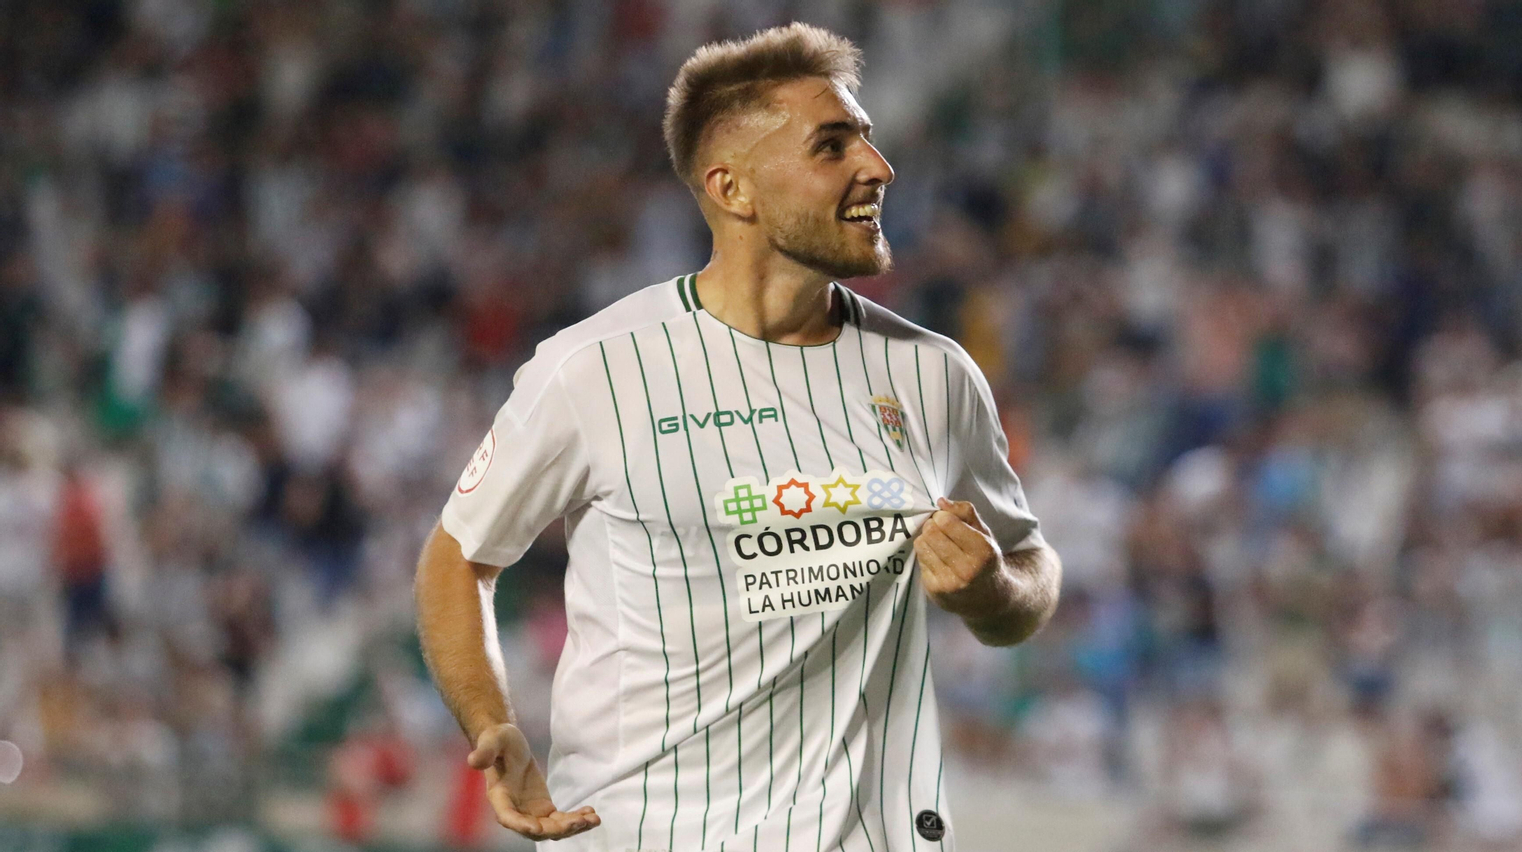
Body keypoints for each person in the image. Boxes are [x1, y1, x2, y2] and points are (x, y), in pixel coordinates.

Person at [413, 23, 1061, 850]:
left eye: (867, 138)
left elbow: (1029, 571)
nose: (878, 168)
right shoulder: (595, 370)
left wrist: (993, 591)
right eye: (833, 146)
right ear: (735, 189)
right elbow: (457, 557)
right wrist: (490, 721)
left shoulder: (935, 375)